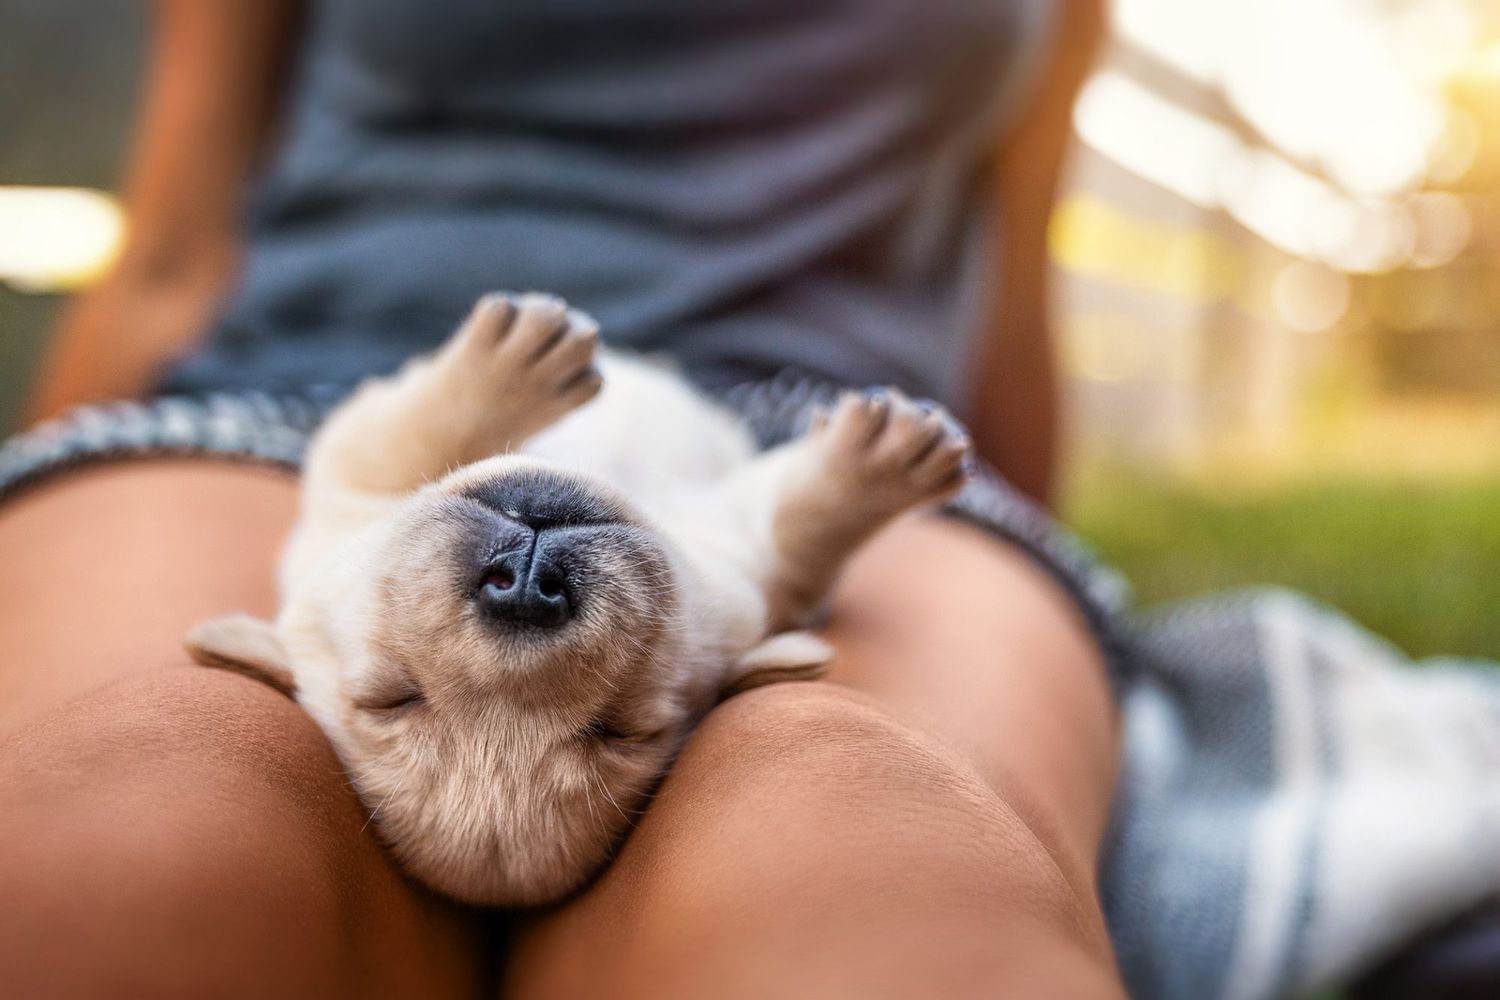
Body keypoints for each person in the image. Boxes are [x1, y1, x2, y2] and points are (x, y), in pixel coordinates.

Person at [1, 1, 1128, 996]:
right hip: (276, 405)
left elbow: (1011, 299)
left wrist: (1015, 559)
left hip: (811, 423)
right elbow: (171, 243)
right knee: (154, 806)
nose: (522, 589)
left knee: (870, 827)